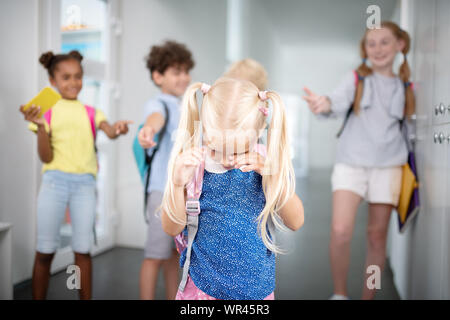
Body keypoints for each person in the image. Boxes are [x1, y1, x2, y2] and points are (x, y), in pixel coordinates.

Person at [160, 77, 305, 300]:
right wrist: (178, 185)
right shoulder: (192, 164)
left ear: (259, 132)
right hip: (202, 290)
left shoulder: (266, 162)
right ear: (205, 132)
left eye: (237, 151)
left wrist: (273, 176)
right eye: (217, 148)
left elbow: (296, 221)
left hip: (255, 292)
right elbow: (172, 228)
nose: (227, 159)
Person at [302, 21, 415, 300]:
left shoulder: (407, 84)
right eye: (371, 43)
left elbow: (410, 127)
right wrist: (322, 103)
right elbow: (335, 102)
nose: (377, 49)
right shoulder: (356, 79)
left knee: (377, 237)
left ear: (400, 45)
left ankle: (368, 297)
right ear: (364, 49)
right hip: (351, 164)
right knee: (340, 230)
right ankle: (339, 294)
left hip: (389, 166)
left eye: (384, 42)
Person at [19, 50, 131, 299]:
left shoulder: (92, 112)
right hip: (54, 183)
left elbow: (109, 131)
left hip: (84, 186)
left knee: (82, 250)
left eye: (78, 77)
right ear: (52, 81)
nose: (73, 83)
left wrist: (118, 129)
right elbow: (46, 157)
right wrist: (39, 127)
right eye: (66, 77)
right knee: (45, 250)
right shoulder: (45, 111)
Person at [138, 40, 195, 300]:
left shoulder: (184, 106)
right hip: (162, 191)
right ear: (157, 76)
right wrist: (149, 130)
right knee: (154, 255)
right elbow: (154, 120)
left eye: (186, 71)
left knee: (175, 254)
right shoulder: (158, 104)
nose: (184, 77)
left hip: (182, 192)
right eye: (176, 72)